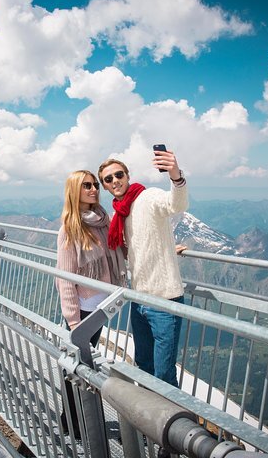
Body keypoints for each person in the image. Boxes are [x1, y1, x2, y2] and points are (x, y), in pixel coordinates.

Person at [98, 148, 188, 388]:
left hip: (164, 301)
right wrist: (168, 248)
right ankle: (150, 421)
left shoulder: (147, 198)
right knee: (144, 367)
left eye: (119, 175)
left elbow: (175, 204)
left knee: (164, 374)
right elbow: (133, 248)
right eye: (109, 179)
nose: (115, 181)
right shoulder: (120, 213)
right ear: (105, 187)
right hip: (138, 300)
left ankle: (169, 422)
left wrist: (175, 176)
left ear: (127, 176)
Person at [55, 170, 126, 432]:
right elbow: (65, 279)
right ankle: (71, 421)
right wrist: (74, 323)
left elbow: (119, 248)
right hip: (83, 313)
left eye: (95, 184)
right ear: (75, 190)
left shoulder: (103, 221)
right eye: (87, 185)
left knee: (84, 363)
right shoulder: (69, 229)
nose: (94, 189)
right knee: (76, 364)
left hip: (101, 307)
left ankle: (80, 420)